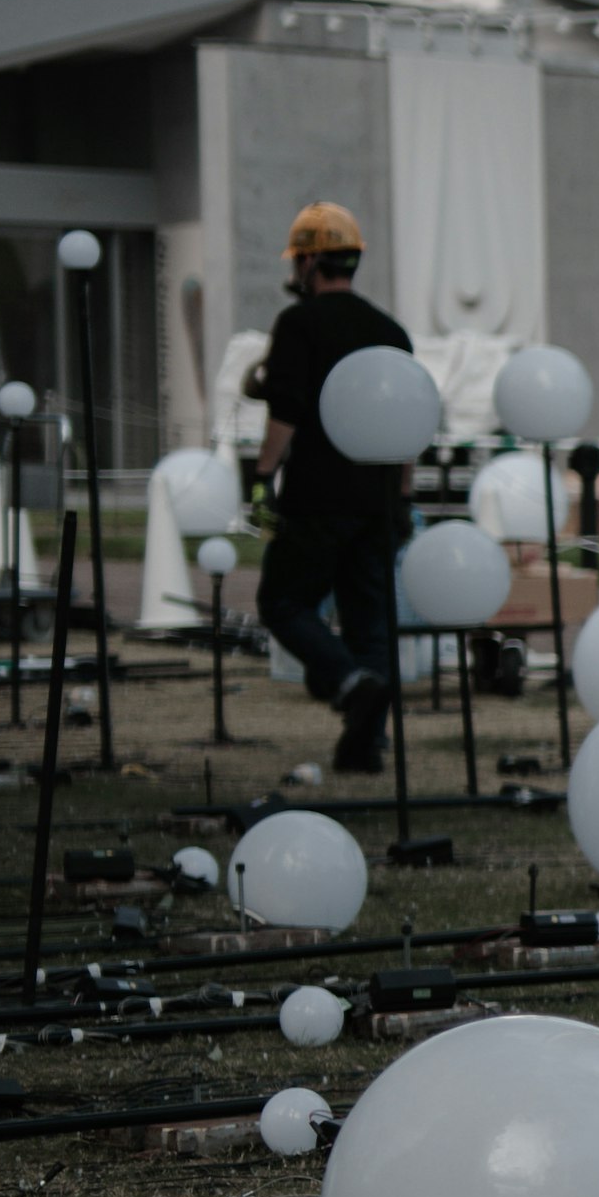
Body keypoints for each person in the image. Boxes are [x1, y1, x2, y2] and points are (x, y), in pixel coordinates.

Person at [249, 201, 413, 773]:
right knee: (369, 622)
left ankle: (347, 683)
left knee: (282, 600)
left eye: (297, 261)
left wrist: (261, 477)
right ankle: (365, 747)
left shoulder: (299, 325)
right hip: (379, 500)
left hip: (318, 496)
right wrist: (404, 499)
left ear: (311, 261)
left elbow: (286, 414)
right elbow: (408, 425)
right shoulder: (390, 330)